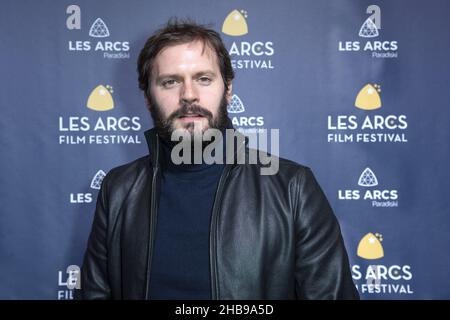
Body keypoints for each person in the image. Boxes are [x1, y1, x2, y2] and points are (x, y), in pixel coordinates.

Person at [75, 19, 359, 300]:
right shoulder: (119, 189)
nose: (188, 95)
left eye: (203, 78)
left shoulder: (292, 187)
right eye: (170, 82)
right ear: (148, 97)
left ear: (229, 89)